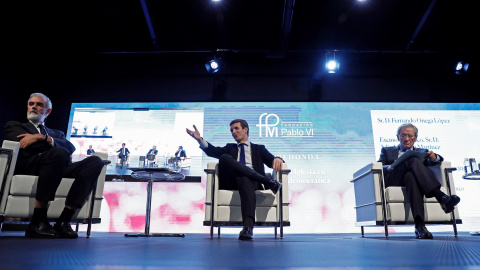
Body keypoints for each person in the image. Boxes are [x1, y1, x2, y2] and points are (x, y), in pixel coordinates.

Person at [3, 93, 104, 239]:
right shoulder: (15, 126)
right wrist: (52, 146)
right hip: (31, 166)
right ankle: (38, 221)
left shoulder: (57, 133)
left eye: (39, 105)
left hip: (58, 166)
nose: (34, 107)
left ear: (48, 111)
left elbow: (71, 147)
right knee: (59, 152)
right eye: (31, 104)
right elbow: (23, 145)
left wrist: (41, 137)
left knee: (95, 161)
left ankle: (64, 220)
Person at [186, 119, 283, 240]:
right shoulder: (229, 147)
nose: (233, 132)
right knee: (224, 157)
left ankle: (248, 228)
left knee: (244, 177)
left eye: (236, 128)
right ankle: (267, 181)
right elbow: (213, 151)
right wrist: (199, 139)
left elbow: (272, 161)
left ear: (245, 129)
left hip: (251, 184)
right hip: (231, 182)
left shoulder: (259, 149)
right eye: (232, 130)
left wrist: (278, 158)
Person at [378, 123, 460, 239]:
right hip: (394, 179)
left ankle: (420, 226)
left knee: (411, 177)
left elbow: (438, 160)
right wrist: (389, 167)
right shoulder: (387, 150)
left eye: (410, 136)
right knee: (412, 159)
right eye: (403, 136)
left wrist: (434, 157)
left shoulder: (422, 151)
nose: (406, 139)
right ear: (398, 137)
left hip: (411, 180)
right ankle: (441, 197)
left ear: (416, 138)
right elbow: (379, 165)